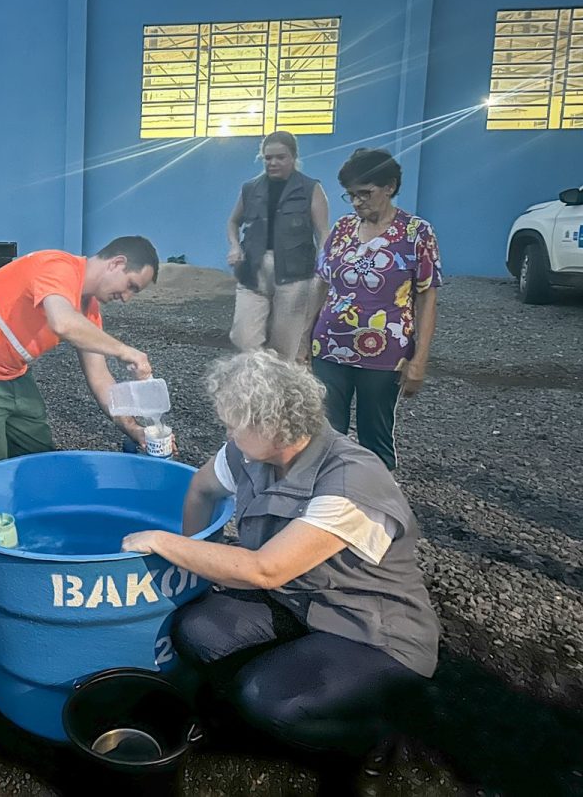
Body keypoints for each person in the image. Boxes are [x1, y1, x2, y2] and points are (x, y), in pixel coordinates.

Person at [121, 350, 438, 767]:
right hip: (301, 602)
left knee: (267, 698)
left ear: (272, 426)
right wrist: (188, 555)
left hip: (372, 632)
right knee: (196, 629)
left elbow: (265, 569)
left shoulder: (351, 479)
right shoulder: (250, 453)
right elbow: (200, 488)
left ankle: (372, 740)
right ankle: (265, 693)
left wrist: (164, 543)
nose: (228, 433)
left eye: (234, 423)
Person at [0, 237, 159, 476]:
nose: (126, 298)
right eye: (131, 286)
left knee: (38, 454)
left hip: (13, 371)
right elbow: (62, 322)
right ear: (117, 263)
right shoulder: (58, 267)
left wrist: (133, 429)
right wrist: (124, 351)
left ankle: (33, 506)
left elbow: (100, 378)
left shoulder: (89, 310)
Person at [308, 147, 442, 470]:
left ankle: (378, 507)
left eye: (364, 194)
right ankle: (326, 502)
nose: (356, 203)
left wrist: (419, 360)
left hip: (384, 355)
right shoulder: (341, 231)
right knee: (324, 435)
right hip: (328, 348)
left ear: (390, 187)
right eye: (350, 195)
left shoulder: (416, 234)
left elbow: (426, 298)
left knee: (375, 439)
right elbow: (321, 285)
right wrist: (303, 343)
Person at [227, 131, 329, 360]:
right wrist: (235, 247)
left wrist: (323, 269)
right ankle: (256, 383)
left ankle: (277, 392)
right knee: (244, 339)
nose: (273, 162)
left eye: (280, 157)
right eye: (268, 157)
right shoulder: (250, 188)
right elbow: (233, 222)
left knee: (284, 348)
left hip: (295, 276)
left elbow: (322, 231)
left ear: (293, 157)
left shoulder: (311, 189)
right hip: (253, 272)